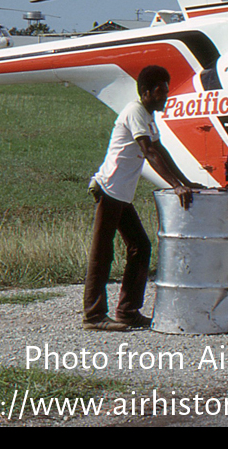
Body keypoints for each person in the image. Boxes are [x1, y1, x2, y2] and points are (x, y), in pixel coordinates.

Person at [83, 65, 197, 331]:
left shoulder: (146, 114)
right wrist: (175, 186)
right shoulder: (135, 111)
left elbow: (159, 149)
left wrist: (184, 182)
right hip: (109, 189)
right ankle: (93, 315)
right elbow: (149, 152)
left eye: (166, 91)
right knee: (102, 253)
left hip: (120, 194)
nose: (165, 97)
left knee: (140, 247)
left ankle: (127, 311)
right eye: (160, 92)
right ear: (146, 92)